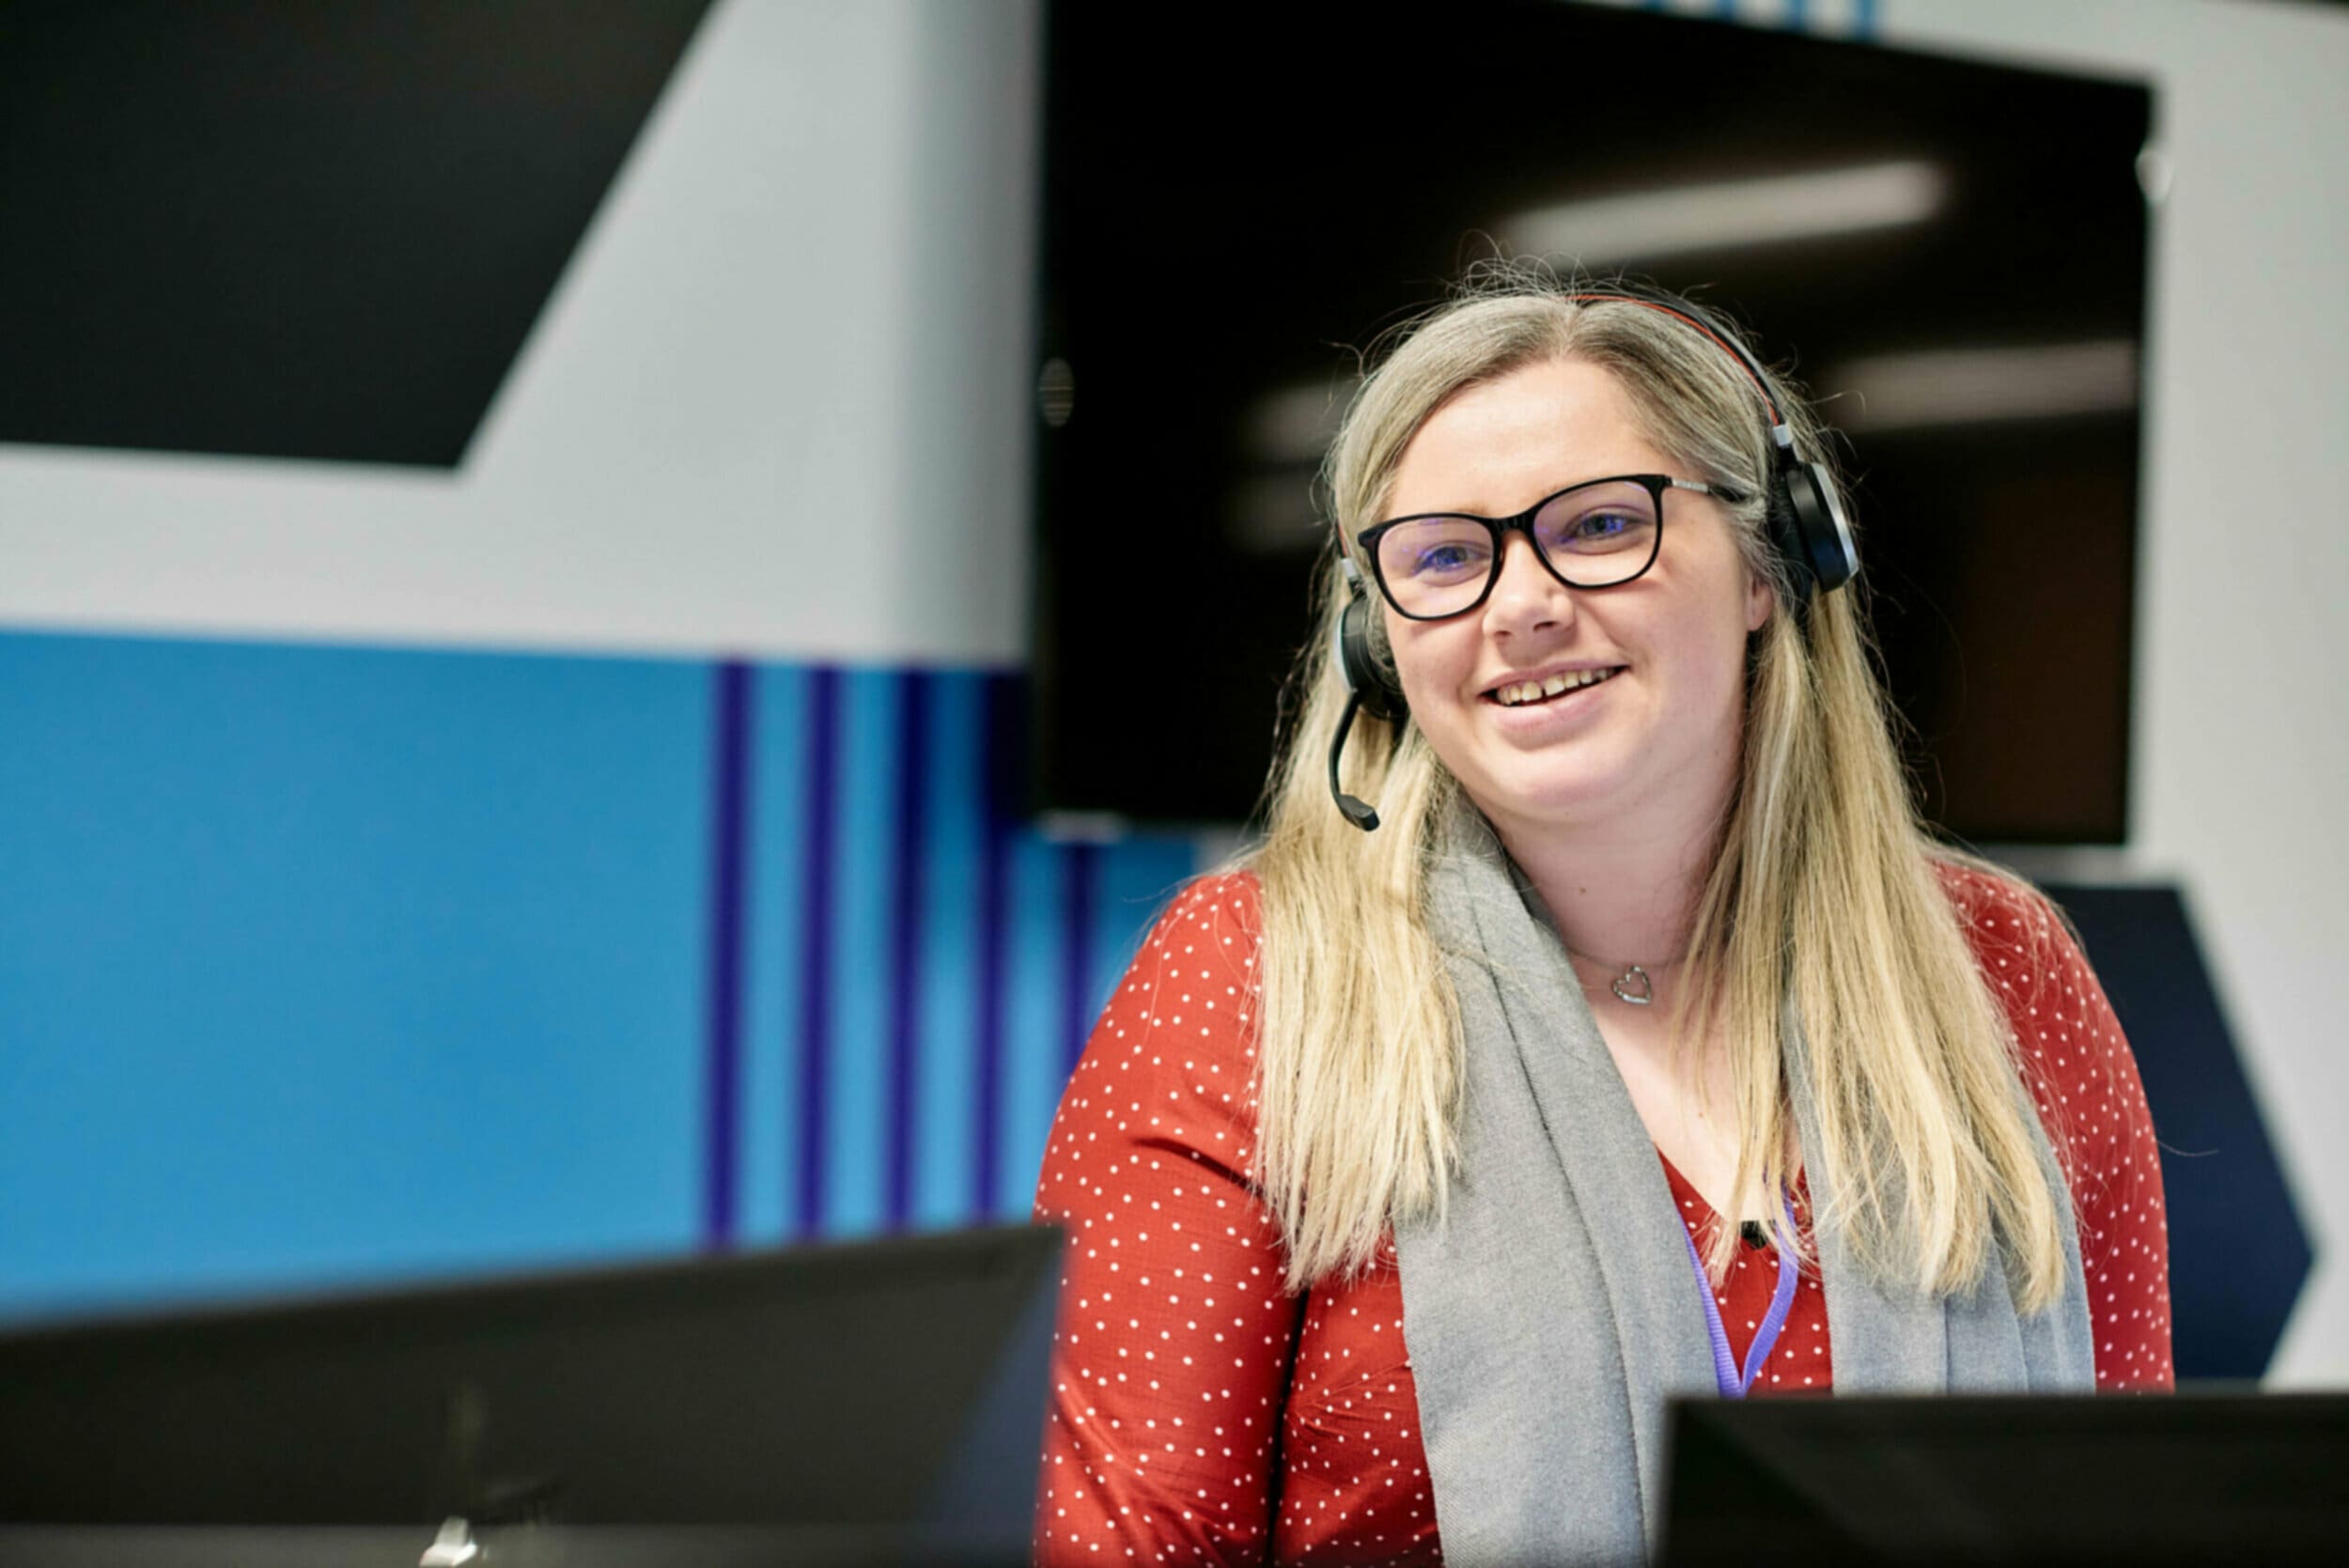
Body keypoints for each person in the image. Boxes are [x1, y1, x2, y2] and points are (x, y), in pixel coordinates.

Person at [1030, 271, 2172, 1566]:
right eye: (1448, 556)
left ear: (1766, 566)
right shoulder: (1251, 979)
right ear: (1378, 639)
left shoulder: (2003, 970)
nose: (1519, 605)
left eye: (1596, 526)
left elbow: (2122, 1501)